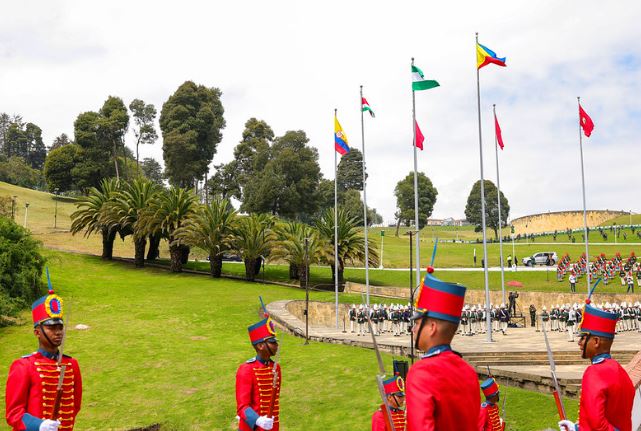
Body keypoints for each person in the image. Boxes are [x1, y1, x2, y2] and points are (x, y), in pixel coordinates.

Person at [405, 266, 480, 429]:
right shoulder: (468, 372)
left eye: (417, 323)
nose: (413, 329)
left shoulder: (421, 373)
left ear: (432, 327)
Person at [5, 285, 82, 431]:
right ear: (37, 333)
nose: (58, 332)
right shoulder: (23, 366)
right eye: (51, 328)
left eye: (60, 327)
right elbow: (14, 413)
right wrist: (38, 425)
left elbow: (75, 406)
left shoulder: (72, 364)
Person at [557, 301, 634, 431]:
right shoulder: (619, 369)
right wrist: (576, 428)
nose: (579, 343)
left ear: (596, 341)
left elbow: (598, 426)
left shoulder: (595, 372)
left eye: (583, 338)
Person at [236, 311, 281, 431]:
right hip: (253, 427)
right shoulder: (246, 369)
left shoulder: (276, 368)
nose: (276, 345)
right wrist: (258, 420)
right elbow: (242, 407)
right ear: (260, 346)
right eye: (272, 342)